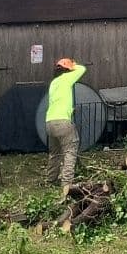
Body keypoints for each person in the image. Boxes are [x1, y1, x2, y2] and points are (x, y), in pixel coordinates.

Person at [45, 56, 86, 196]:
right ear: (67, 71)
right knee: (70, 151)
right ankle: (66, 185)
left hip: (50, 121)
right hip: (63, 121)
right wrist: (72, 65)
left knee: (54, 153)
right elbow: (82, 69)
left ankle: (50, 180)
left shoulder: (53, 83)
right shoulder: (66, 79)